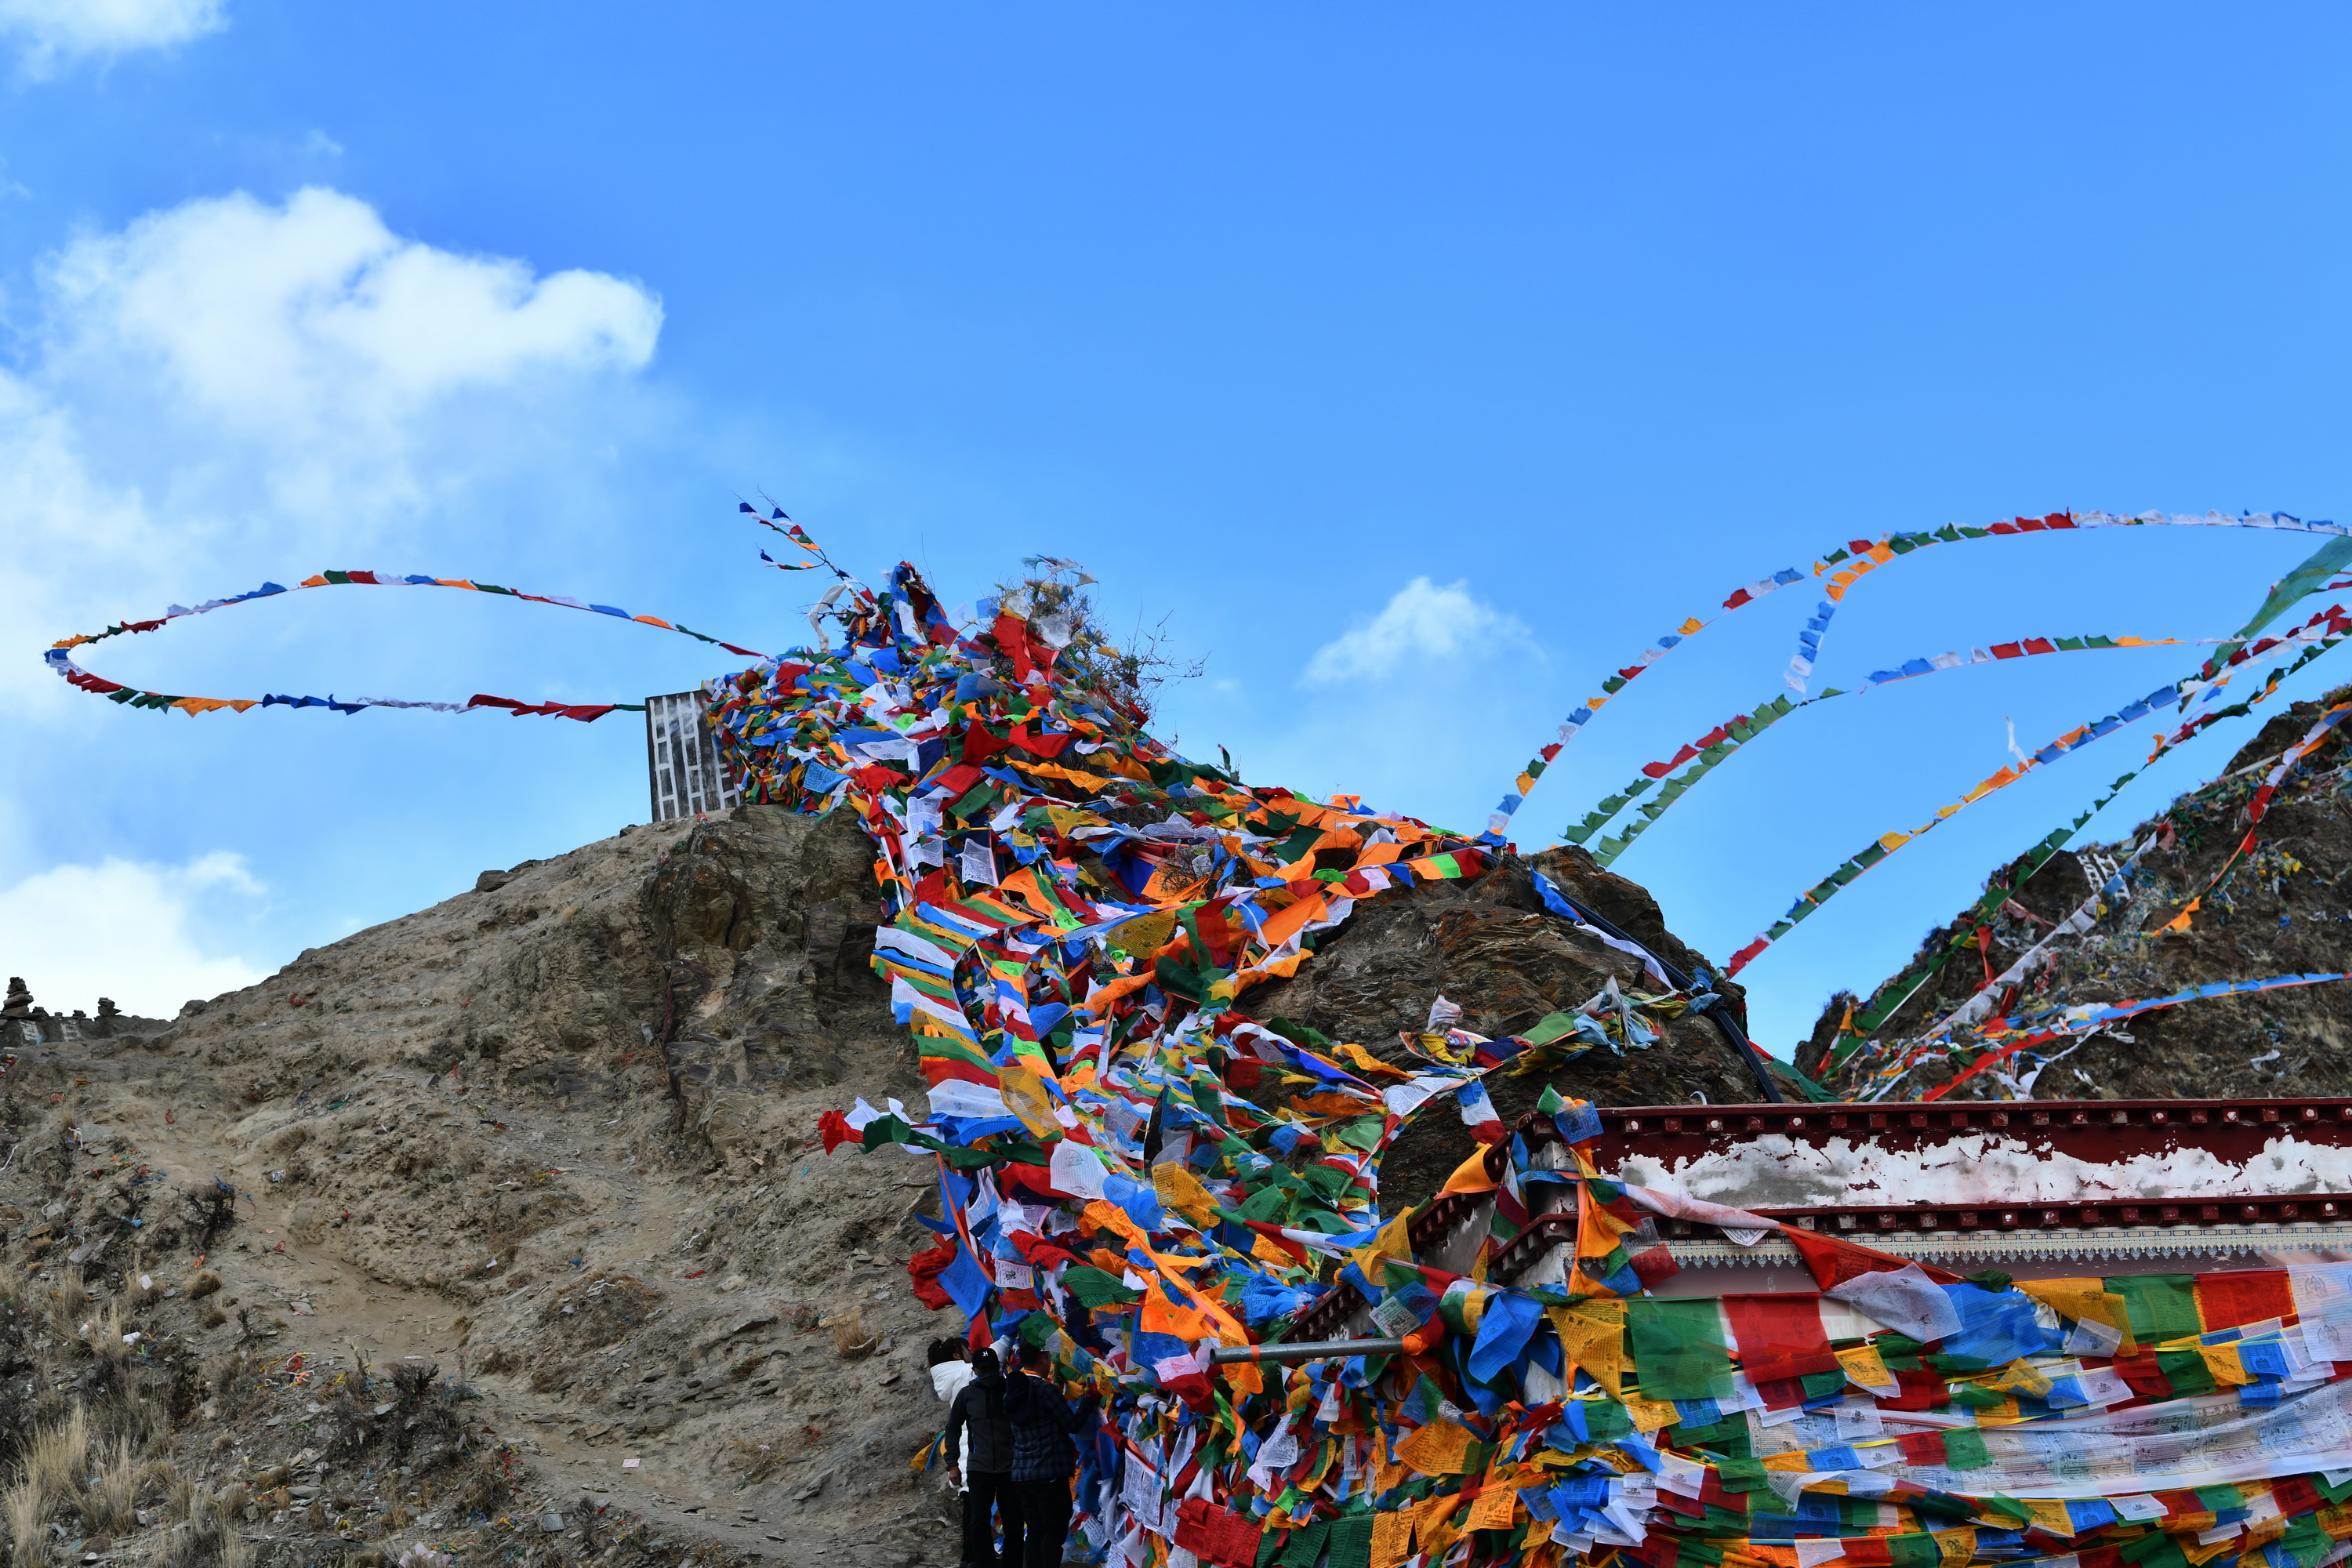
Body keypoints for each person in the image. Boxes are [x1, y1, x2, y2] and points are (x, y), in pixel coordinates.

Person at [1004, 1342, 1098, 1568]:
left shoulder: (1012, 1391)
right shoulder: (1046, 1390)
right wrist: (1088, 1400)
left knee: (1035, 1529)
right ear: (1044, 1359)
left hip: (1021, 1474)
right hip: (1049, 1471)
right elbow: (1072, 1424)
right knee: (1053, 1530)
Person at [945, 1346, 1024, 1568]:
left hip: (1011, 1468)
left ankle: (1012, 1564)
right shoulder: (966, 1395)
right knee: (979, 1522)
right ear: (975, 1369)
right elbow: (952, 1429)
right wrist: (952, 1464)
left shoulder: (1010, 1389)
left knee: (1014, 1521)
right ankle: (984, 1563)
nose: (989, 1373)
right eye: (984, 1369)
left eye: (992, 1368)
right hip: (979, 1468)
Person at [928, 1339, 975, 1489]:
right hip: (976, 1463)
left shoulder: (950, 1378)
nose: (971, 1351)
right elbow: (992, 1358)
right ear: (956, 1356)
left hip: (965, 1467)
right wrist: (1006, 1339)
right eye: (967, 1349)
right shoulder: (965, 1373)